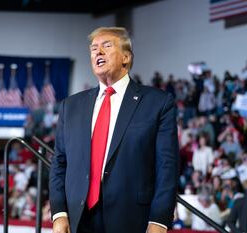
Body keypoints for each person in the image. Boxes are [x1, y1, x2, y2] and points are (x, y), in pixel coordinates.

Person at [49, 27, 179, 233]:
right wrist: (59, 213)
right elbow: (59, 163)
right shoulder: (70, 106)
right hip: (77, 220)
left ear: (126, 58)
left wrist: (159, 220)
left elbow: (167, 166)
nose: (97, 52)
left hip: (132, 219)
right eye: (93, 48)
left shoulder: (158, 102)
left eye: (106, 46)